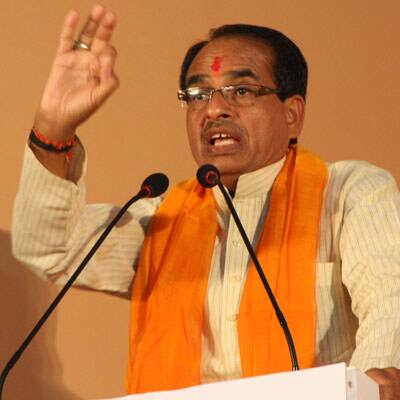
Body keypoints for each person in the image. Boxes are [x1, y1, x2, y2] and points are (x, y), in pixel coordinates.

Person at [11, 4, 400, 399]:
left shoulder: (349, 194)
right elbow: (49, 247)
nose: (214, 109)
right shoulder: (163, 221)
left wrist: (372, 384)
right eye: (198, 94)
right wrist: (54, 126)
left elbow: (391, 303)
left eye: (241, 91)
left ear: (292, 114)